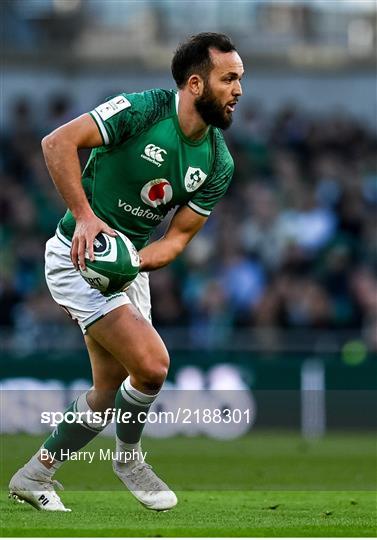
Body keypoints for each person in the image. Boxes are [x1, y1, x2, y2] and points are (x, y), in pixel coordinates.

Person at [9, 32, 243, 512]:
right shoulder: (144, 110)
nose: (239, 89)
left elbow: (176, 240)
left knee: (106, 390)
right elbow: (57, 143)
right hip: (77, 255)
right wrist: (87, 217)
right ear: (196, 84)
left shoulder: (218, 161)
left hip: (125, 266)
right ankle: (129, 458)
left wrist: (131, 261)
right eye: (230, 78)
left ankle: (34, 475)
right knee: (154, 365)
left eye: (240, 79)